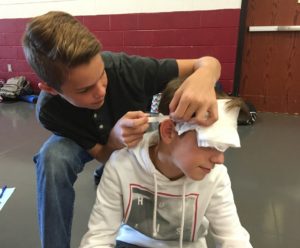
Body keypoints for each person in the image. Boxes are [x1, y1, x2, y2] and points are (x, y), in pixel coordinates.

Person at [22, 11, 221, 248]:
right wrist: (114, 142)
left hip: (135, 135)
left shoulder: (127, 68)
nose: (100, 91)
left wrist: (205, 77)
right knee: (52, 159)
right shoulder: (49, 110)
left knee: (171, 144)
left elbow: (207, 62)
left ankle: (113, 174)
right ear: (51, 89)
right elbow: (103, 154)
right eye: (84, 90)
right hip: (100, 143)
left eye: (102, 75)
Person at [80, 78, 253, 248]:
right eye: (209, 144)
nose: (219, 159)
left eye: (223, 147)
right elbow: (98, 238)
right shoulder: (121, 165)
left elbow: (232, 237)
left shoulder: (216, 175)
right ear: (169, 131)